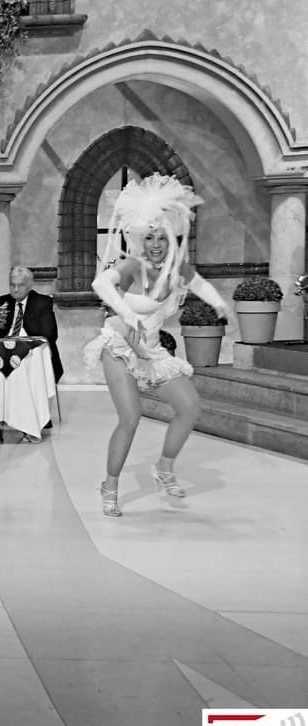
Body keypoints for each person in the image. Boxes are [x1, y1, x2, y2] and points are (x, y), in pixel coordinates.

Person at [84, 175, 234, 517]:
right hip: (120, 347)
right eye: (149, 237)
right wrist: (127, 313)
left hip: (151, 352)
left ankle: (164, 467)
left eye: (162, 237)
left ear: (171, 238)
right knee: (130, 417)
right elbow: (100, 284)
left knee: (190, 406)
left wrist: (219, 304)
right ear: (140, 239)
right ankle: (110, 485)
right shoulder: (132, 266)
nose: (156, 244)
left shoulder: (176, 268)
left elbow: (201, 285)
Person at [0, 266, 64, 382]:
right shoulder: (2, 302)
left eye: (20, 285)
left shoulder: (42, 302)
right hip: (5, 353)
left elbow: (50, 335)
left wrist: (21, 342)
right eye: (12, 285)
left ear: (29, 286)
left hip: (32, 354)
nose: (15, 289)